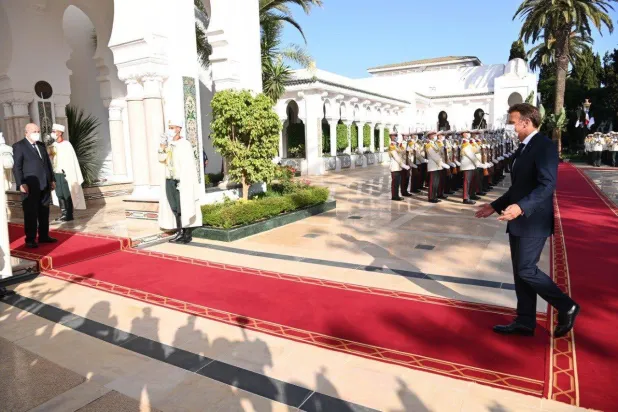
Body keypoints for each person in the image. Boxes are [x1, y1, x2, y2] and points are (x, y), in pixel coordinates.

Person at [475, 103, 579, 338]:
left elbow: (547, 184)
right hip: (518, 218)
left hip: (533, 219)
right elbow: (518, 188)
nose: (511, 127)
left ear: (526, 122)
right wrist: (494, 206)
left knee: (526, 269)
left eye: (513, 122)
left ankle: (566, 306)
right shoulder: (523, 148)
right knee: (520, 271)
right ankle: (524, 320)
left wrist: (521, 207)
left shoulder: (544, 146)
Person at [12, 123, 57, 248]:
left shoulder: (41, 145)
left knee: (44, 211)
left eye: (38, 131)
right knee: (31, 213)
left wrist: (52, 179)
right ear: (26, 133)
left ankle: (44, 236)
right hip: (30, 185)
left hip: (45, 184)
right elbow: (17, 167)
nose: (37, 133)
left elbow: (47, 164)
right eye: (34, 131)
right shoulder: (19, 146)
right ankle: (30, 239)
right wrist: (21, 183)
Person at [158, 119, 203, 244]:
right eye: (169, 128)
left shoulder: (185, 144)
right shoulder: (168, 144)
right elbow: (161, 158)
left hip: (181, 181)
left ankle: (187, 234)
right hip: (169, 180)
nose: (170, 130)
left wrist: (184, 181)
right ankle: (179, 232)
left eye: (172, 128)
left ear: (179, 129)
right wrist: (162, 147)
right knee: (174, 207)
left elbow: (188, 165)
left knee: (184, 206)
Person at [48, 124, 86, 222]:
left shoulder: (67, 145)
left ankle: (69, 214)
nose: (53, 133)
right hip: (56, 173)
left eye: (54, 131)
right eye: (52, 131)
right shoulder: (53, 145)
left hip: (65, 174)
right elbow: (52, 159)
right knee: (59, 193)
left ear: (60, 133)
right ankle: (63, 213)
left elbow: (71, 161)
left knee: (66, 194)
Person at [460, 133, 482, 205]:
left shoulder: (469, 142)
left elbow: (477, 150)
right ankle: (465, 198)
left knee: (471, 181)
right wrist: (476, 162)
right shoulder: (464, 142)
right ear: (464, 134)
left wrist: (474, 143)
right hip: (467, 164)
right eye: (467, 133)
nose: (469, 134)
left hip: (471, 164)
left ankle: (471, 194)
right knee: (467, 182)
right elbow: (469, 154)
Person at [388, 132, 408, 201]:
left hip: (398, 167)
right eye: (393, 136)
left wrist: (405, 147)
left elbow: (403, 152)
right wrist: (403, 165)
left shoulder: (397, 145)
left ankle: (396, 195)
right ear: (390, 137)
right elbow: (396, 157)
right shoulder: (391, 146)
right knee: (395, 183)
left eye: (395, 136)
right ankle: (394, 196)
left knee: (397, 182)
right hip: (395, 166)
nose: (395, 137)